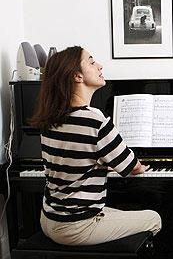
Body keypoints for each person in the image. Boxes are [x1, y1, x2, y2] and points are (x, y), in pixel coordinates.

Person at [30, 46, 162, 246]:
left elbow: (76, 158)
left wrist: (102, 162)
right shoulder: (93, 119)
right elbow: (132, 167)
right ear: (77, 76)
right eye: (91, 62)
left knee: (114, 212)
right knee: (154, 218)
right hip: (75, 227)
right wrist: (139, 167)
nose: (99, 66)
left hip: (49, 219)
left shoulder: (50, 117)